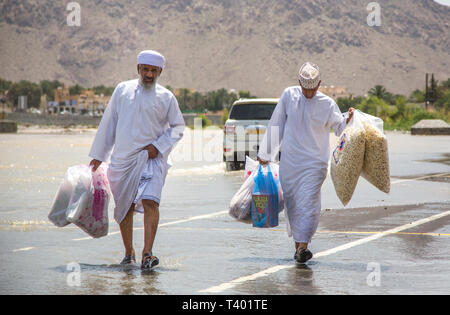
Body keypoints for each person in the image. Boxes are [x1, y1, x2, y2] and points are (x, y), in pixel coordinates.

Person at [88, 50, 185, 270]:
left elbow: (178, 127)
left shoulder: (166, 96)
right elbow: (109, 123)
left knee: (151, 201)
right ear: (138, 69)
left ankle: (147, 253)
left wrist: (158, 147)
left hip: (151, 159)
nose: (149, 74)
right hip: (122, 160)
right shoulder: (122, 90)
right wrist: (98, 155)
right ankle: (128, 252)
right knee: (125, 206)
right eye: (145, 70)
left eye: (153, 71)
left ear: (160, 71)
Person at [257, 62, 354, 264]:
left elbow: (339, 127)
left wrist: (350, 118)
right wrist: (266, 153)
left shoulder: (327, 104)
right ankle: (299, 249)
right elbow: (277, 124)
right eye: (305, 88)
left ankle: (303, 246)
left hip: (315, 163)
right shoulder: (288, 96)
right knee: (293, 204)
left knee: (308, 202)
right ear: (299, 84)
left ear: (318, 84)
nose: (309, 93)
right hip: (290, 163)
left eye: (312, 88)